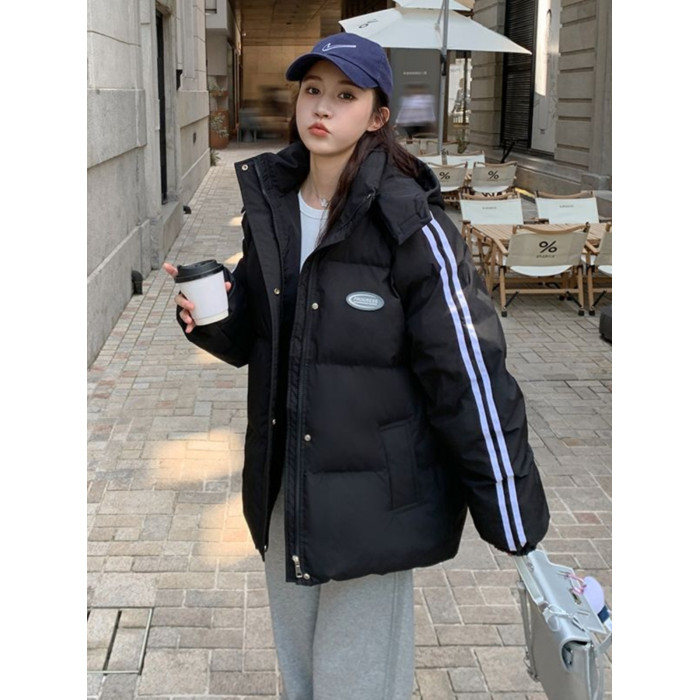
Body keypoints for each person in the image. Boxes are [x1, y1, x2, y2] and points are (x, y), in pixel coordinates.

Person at [164, 32, 549, 700]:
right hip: (286, 484)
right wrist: (213, 318)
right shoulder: (273, 207)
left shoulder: (411, 223)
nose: (322, 107)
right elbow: (262, 336)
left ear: (377, 116)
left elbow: (468, 372)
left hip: (376, 500)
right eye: (313, 90)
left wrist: (512, 512)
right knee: (303, 678)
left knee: (357, 685)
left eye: (345, 95)